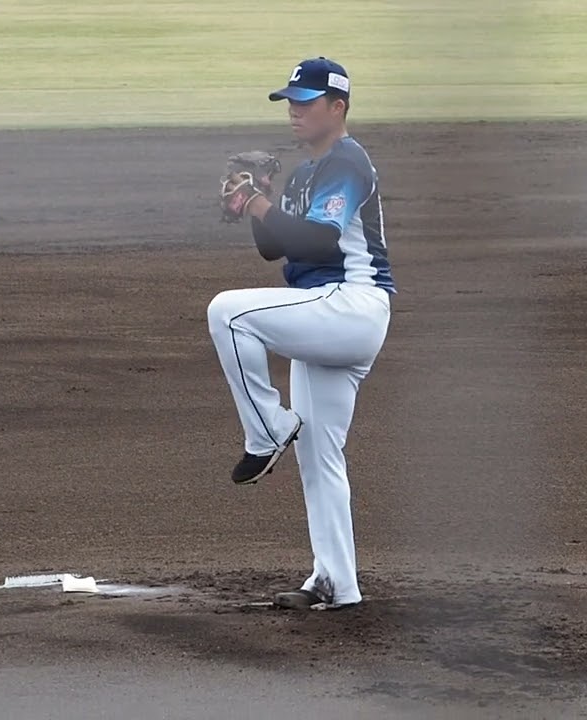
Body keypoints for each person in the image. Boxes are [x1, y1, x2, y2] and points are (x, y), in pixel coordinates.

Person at [207, 57, 395, 611]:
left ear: (338, 108)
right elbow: (276, 247)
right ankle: (336, 583)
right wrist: (255, 201)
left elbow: (316, 243)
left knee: (228, 313)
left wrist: (257, 199)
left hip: (351, 304)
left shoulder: (346, 162)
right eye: (290, 101)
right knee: (318, 454)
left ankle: (267, 430)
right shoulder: (305, 173)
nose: (294, 111)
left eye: (306, 102)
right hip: (326, 315)